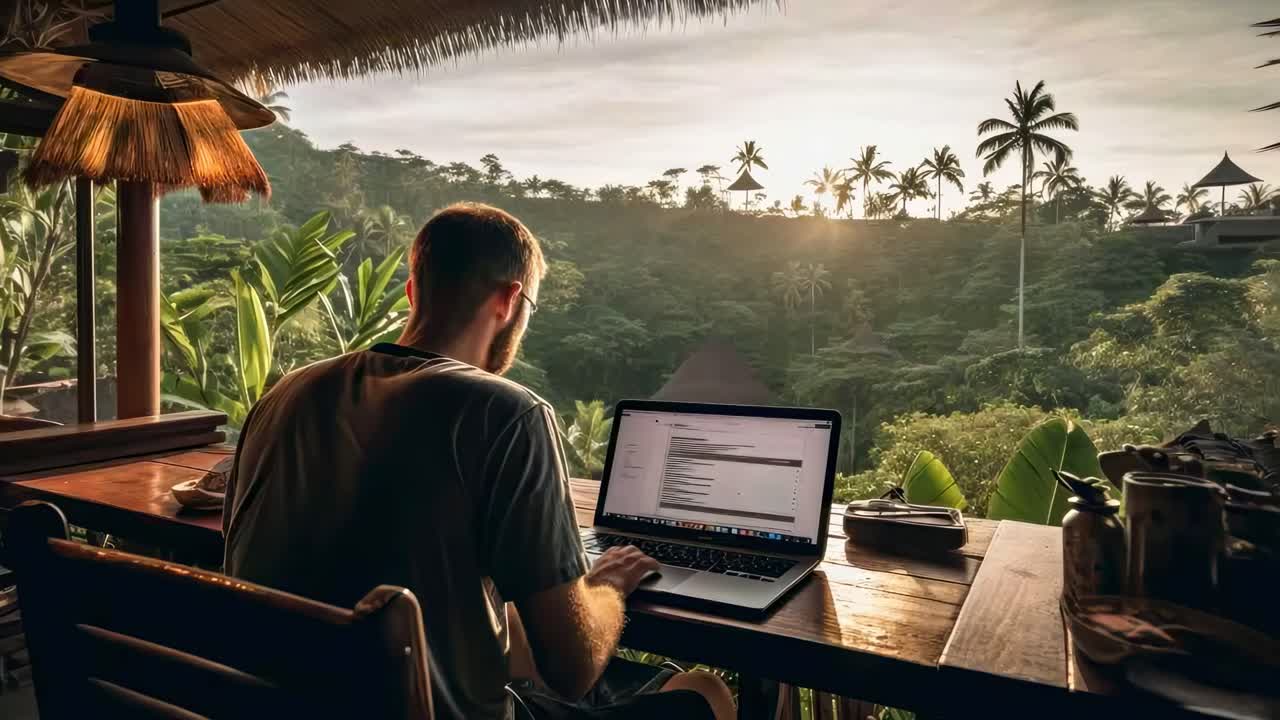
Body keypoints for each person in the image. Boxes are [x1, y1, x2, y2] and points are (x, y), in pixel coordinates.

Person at [223, 203, 734, 720]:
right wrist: (606, 583)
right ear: (510, 300)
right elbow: (572, 669)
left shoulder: (285, 394)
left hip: (284, 703)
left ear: (412, 289)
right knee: (705, 691)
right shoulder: (506, 412)